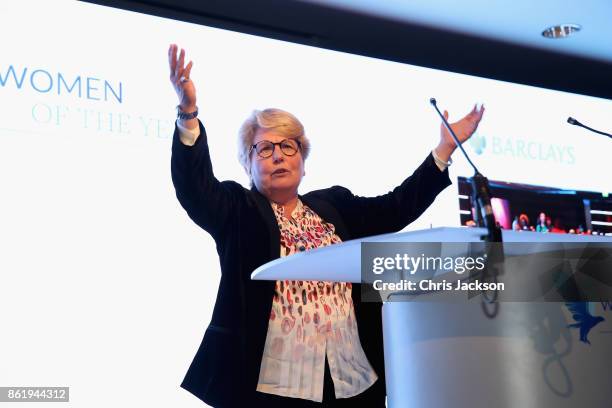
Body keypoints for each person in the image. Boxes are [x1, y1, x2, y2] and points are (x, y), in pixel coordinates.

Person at [168, 44, 485, 407]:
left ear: (303, 161)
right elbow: (195, 188)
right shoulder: (237, 208)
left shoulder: (334, 205)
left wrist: (443, 150)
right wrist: (188, 113)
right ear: (248, 165)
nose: (277, 155)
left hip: (350, 379)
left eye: (288, 146)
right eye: (264, 148)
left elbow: (396, 207)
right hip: (274, 385)